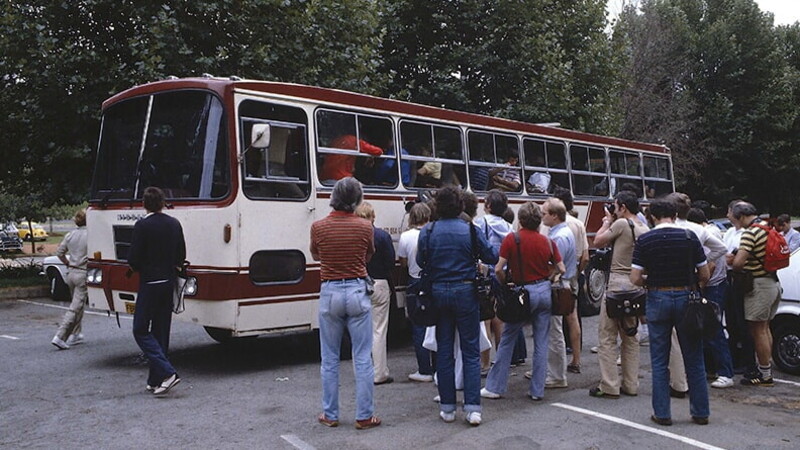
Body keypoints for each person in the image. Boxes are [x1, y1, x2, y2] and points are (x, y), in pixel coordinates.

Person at [417, 186, 497, 426]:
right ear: (460, 205)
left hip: (438, 291)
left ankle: (448, 407)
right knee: (470, 351)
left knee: (444, 351)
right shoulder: (470, 230)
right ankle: (472, 408)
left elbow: (422, 260)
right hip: (466, 291)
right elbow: (491, 256)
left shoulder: (429, 231)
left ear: (437, 206)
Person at [630, 198, 710, 426]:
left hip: (657, 296)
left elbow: (635, 278)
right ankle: (700, 411)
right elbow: (704, 274)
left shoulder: (645, 240)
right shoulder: (689, 237)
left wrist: (650, 282)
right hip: (686, 296)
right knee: (694, 357)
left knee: (659, 359)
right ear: (675, 215)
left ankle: (663, 413)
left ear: (653, 217)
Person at [310, 177, 381, 429]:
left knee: (329, 358)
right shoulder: (365, 227)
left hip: (329, 290)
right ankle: (364, 415)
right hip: (356, 289)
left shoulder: (318, 227)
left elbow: (315, 254)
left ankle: (330, 414)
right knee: (362, 356)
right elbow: (368, 254)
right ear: (356, 200)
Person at [481, 202, 565, 401]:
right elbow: (561, 268)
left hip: (521, 292)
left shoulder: (513, 239)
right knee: (541, 341)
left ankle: (495, 387)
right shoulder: (547, 241)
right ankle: (537, 390)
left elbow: (499, 268)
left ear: (521, 219)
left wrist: (504, 283)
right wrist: (548, 275)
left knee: (508, 337)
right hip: (544, 291)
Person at [589, 190, 649, 398]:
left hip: (616, 283)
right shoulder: (644, 228)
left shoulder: (622, 224)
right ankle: (631, 384)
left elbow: (598, 241)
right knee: (630, 335)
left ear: (622, 207)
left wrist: (606, 221)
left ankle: (610, 385)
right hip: (635, 285)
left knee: (607, 336)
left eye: (615, 206)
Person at [128, 187, 186, 396]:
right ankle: (156, 378)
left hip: (150, 282)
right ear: (163, 203)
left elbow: (133, 259)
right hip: (168, 281)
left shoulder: (142, 225)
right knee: (161, 331)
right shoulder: (174, 224)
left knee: (140, 329)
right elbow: (181, 254)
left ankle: (168, 372)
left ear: (144, 204)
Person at [731, 202, 783, 387]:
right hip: (772, 282)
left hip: (758, 286)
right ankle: (766, 369)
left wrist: (732, 259)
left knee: (757, 330)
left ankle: (765, 374)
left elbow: (738, 263)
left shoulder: (750, 233)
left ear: (741, 216)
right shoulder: (767, 228)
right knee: (765, 327)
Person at [687, 207, 735, 388]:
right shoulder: (714, 230)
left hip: (711, 286)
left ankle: (725, 372)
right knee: (709, 329)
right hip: (717, 284)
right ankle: (712, 368)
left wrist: (700, 285)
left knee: (713, 329)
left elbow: (710, 265)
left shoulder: (705, 234)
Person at [473, 190, 515, 373]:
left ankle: (485, 362)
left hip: (486, 273)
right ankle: (502, 359)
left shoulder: (480, 223)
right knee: (500, 317)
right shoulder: (508, 226)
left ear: (488, 206)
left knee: (486, 319)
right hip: (503, 274)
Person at [354, 202, 396, 386]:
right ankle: (379, 373)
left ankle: (361, 372)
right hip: (379, 283)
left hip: (356, 284)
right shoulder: (381, 236)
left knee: (359, 331)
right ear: (373, 216)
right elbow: (389, 262)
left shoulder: (351, 236)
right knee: (379, 330)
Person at [541, 198, 576, 389]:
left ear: (554, 216)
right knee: (552, 330)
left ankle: (557, 375)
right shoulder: (561, 232)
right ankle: (550, 370)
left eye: (544, 213)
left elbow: (554, 267)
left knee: (554, 331)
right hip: (561, 285)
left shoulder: (559, 237)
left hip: (557, 286)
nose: (541, 216)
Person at [398, 203, 434, 382]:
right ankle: (437, 367)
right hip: (433, 282)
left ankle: (424, 369)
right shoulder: (433, 233)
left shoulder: (405, 237)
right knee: (435, 324)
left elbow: (403, 263)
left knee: (418, 325)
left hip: (414, 281)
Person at [554, 187, 588, 373]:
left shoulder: (551, 224)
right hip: (572, 276)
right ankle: (576, 360)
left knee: (553, 322)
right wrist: (576, 272)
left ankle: (555, 368)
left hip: (554, 277)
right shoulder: (578, 224)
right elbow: (585, 257)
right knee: (572, 317)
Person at [50, 209, 89, 350]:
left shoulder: (70, 235)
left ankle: (76, 333)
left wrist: (67, 263)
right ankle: (60, 336)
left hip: (71, 272)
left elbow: (60, 252)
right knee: (75, 307)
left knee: (77, 303)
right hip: (83, 273)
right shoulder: (90, 235)